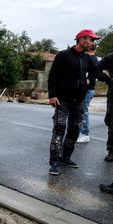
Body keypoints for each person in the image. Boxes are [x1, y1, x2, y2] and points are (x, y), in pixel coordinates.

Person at [47, 29, 101, 176]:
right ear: (82, 40)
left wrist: (89, 81)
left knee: (74, 130)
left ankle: (66, 158)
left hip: (78, 101)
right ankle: (55, 162)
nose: (93, 43)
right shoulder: (63, 56)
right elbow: (53, 76)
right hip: (62, 100)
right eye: (92, 40)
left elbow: (97, 71)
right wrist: (52, 95)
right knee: (59, 129)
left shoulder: (86, 58)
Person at [76, 46, 99, 143]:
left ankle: (85, 134)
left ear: (89, 49)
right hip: (88, 89)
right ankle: (81, 132)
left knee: (84, 111)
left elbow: (95, 74)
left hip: (88, 89)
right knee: (81, 110)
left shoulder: (92, 59)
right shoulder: (93, 59)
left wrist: (88, 81)